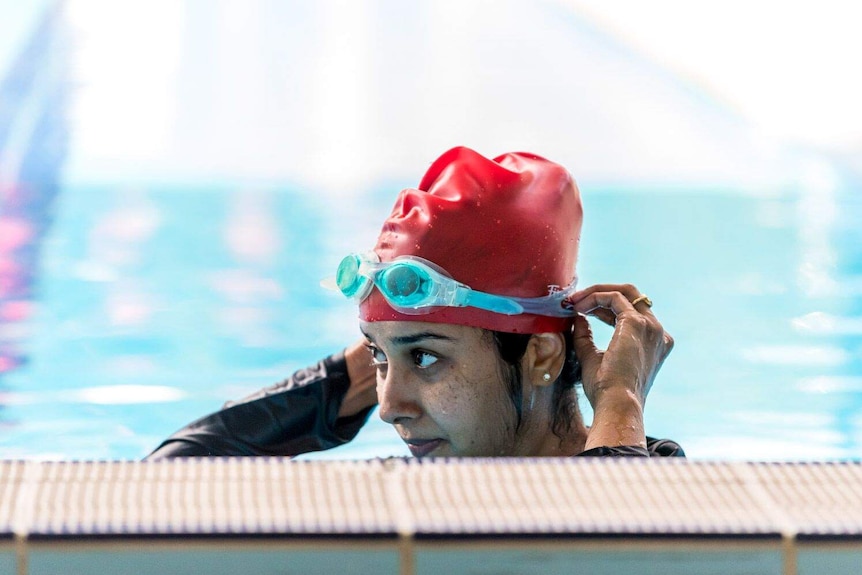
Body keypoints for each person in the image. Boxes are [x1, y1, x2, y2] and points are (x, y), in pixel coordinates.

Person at [147, 147, 682, 460]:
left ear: (541, 357)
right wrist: (389, 343)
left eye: (426, 358)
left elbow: (605, 557)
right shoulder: (418, 490)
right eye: (378, 361)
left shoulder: (660, 480)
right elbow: (170, 481)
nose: (387, 407)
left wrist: (619, 405)